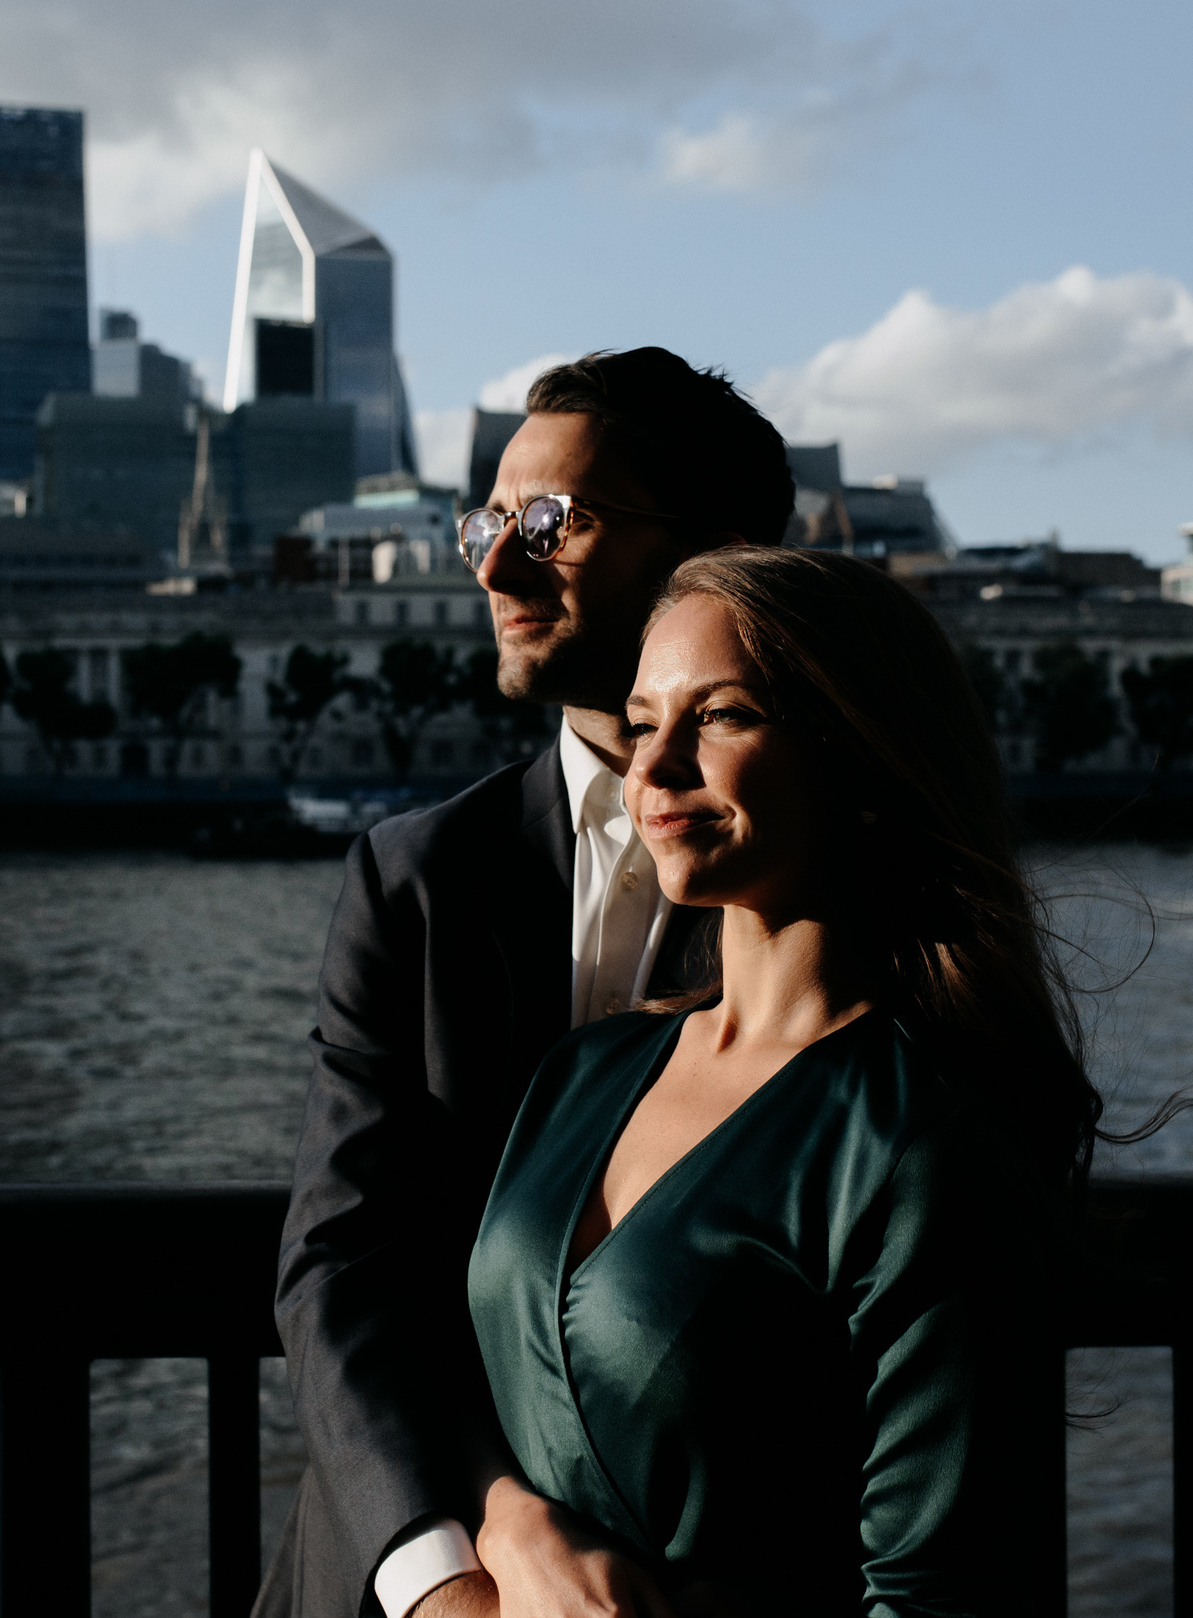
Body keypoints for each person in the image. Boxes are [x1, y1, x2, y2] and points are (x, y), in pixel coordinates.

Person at [257, 350, 799, 1618]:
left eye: (552, 523)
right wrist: (464, 1555)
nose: (496, 567)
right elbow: (343, 1267)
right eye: (487, 523)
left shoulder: (837, 886)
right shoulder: (415, 879)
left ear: (714, 556)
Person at [466, 546, 1100, 1615]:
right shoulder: (585, 1069)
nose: (654, 767)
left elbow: (941, 1594)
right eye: (643, 721)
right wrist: (507, 1519)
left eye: (721, 716)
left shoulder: (916, 1145)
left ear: (860, 752)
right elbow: (479, 1379)